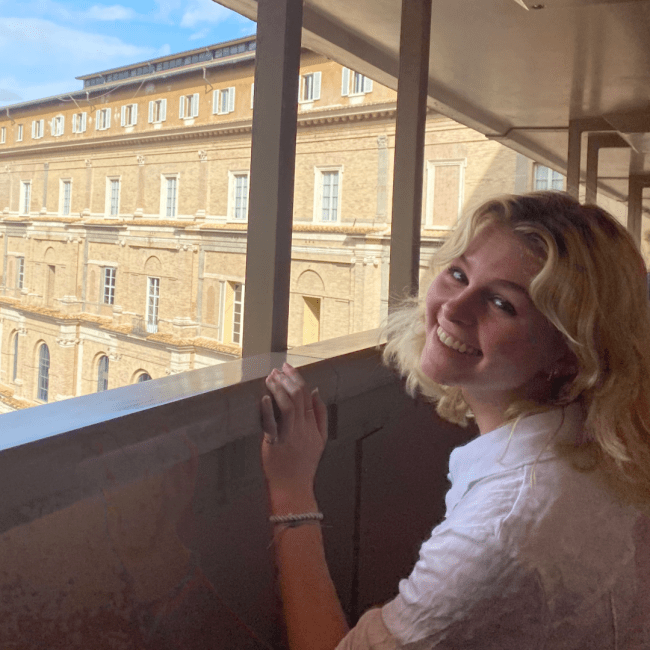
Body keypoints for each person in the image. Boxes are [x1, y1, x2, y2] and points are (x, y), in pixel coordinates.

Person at [260, 191, 650, 650]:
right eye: (459, 274)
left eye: (502, 304)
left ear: (569, 354)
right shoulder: (602, 446)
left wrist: (290, 488)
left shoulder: (503, 531)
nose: (453, 308)